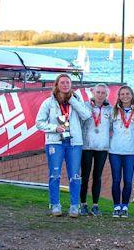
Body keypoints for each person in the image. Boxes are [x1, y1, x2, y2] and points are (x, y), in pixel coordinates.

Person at [35, 74, 91, 217]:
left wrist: (73, 101)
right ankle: (55, 204)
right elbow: (39, 122)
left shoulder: (77, 100)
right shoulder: (49, 102)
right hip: (55, 142)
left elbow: (86, 115)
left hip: (74, 142)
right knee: (55, 175)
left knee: (75, 176)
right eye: (62, 83)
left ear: (71, 85)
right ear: (57, 84)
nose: (65, 85)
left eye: (68, 83)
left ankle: (74, 206)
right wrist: (54, 128)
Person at [108, 85, 134, 218]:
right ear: (119, 96)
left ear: (132, 95)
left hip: (130, 151)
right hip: (115, 151)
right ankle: (116, 206)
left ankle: (125, 207)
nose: (125, 96)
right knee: (116, 179)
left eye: (127, 94)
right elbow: (109, 128)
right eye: (122, 94)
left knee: (128, 180)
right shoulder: (113, 111)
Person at [79, 83, 112, 216]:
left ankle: (95, 205)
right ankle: (83, 204)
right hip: (87, 146)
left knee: (97, 176)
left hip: (102, 147)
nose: (100, 95)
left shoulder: (110, 109)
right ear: (93, 92)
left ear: (106, 95)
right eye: (98, 92)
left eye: (103, 93)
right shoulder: (85, 106)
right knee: (85, 176)